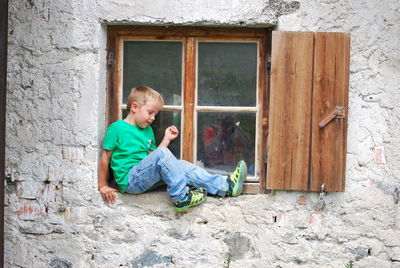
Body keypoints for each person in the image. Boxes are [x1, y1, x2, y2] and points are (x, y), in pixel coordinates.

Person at [98, 86, 248, 212]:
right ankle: (180, 197)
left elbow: (153, 157)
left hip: (146, 177)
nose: (153, 118)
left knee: (180, 165)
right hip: (130, 180)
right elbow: (105, 158)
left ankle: (226, 187)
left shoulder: (147, 131)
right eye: (150, 112)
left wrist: (166, 139)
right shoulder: (117, 128)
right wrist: (103, 185)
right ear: (134, 107)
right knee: (164, 155)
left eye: (155, 115)